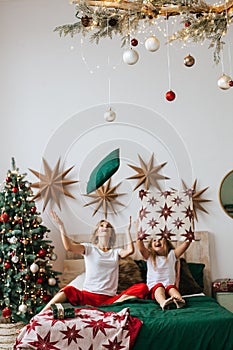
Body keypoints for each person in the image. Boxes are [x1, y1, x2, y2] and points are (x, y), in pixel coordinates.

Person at [41, 211, 148, 312]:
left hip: (109, 299)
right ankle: (41, 313)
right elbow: (69, 247)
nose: (105, 227)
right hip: (88, 296)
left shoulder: (115, 252)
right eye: (102, 226)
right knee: (68, 290)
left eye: (108, 226)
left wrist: (127, 231)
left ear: (111, 234)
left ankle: (110, 306)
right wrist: (61, 226)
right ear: (97, 232)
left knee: (142, 287)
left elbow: (130, 250)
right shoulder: (89, 248)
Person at [136, 229, 191, 310]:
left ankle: (179, 300)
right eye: (154, 240)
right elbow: (140, 246)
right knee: (159, 287)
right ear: (151, 245)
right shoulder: (150, 256)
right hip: (154, 289)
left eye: (160, 239)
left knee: (172, 288)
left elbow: (186, 244)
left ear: (167, 243)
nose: (157, 241)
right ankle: (163, 302)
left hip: (169, 286)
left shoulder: (172, 254)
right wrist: (139, 230)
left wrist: (189, 232)